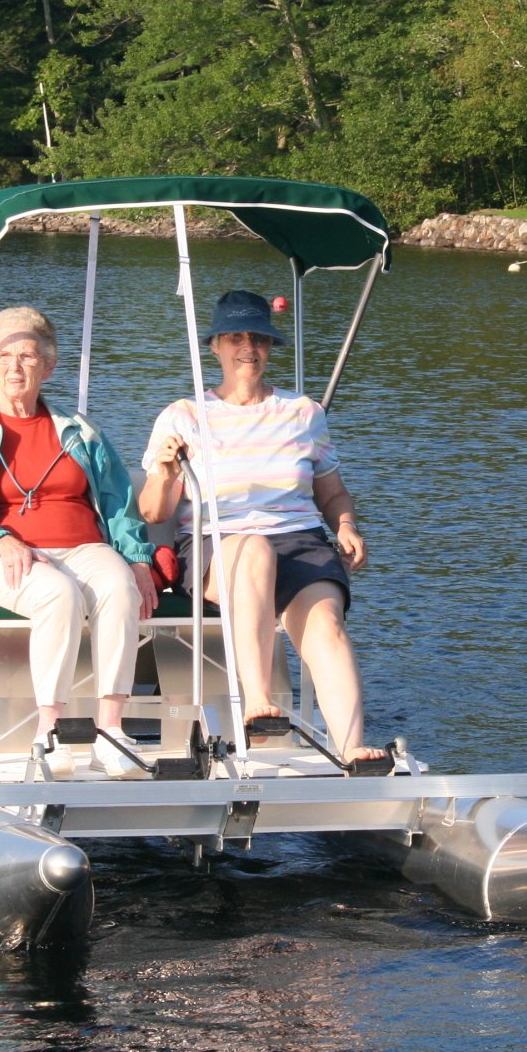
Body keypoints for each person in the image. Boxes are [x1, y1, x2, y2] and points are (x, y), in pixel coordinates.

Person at [139, 289, 384, 766]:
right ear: (215, 346)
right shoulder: (184, 416)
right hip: (218, 542)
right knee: (252, 549)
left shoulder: (303, 413)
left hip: (298, 540)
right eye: (235, 337)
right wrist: (167, 472)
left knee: (325, 624)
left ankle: (352, 748)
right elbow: (154, 512)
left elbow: (331, 493)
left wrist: (348, 525)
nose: (247, 348)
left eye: (258, 339)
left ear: (270, 348)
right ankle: (256, 702)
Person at [0, 306, 159, 776]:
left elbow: (118, 502)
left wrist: (137, 559)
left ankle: (111, 731)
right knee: (56, 592)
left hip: (82, 547)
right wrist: (0, 542)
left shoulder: (81, 433)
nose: (16, 367)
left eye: (29, 357)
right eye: (5, 356)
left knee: (118, 585)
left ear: (48, 366)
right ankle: (50, 731)